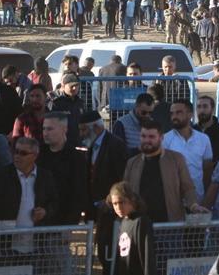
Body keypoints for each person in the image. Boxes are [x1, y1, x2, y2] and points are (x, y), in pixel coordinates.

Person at [123, 120, 207, 223]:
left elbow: (188, 187)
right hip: (139, 224)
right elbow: (125, 192)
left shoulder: (176, 159)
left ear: (161, 138)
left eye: (151, 137)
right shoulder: (132, 163)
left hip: (169, 224)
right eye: (143, 136)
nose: (146, 140)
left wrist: (193, 205)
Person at [79, 110, 127, 274]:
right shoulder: (90, 144)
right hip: (97, 209)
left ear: (97, 128)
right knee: (103, 249)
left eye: (84, 129)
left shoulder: (116, 145)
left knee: (109, 251)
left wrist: (109, 201)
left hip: (111, 209)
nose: (81, 133)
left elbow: (122, 178)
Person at [37, 112, 89, 225]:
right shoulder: (38, 154)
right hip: (39, 219)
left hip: (63, 219)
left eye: (50, 129)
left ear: (64, 129)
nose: (45, 133)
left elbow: (79, 192)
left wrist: (71, 223)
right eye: (44, 129)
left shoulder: (75, 158)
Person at [162, 99, 213, 204]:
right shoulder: (164, 140)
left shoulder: (203, 139)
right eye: (172, 113)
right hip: (173, 199)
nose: (174, 116)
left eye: (179, 112)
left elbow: (207, 169)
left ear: (190, 114)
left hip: (198, 197)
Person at [107, 181, 156, 275]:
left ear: (131, 200)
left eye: (121, 202)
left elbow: (147, 256)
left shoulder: (141, 222)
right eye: (114, 204)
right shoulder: (123, 222)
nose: (118, 207)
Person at [193, 95, 219, 162]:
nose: (202, 110)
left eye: (205, 106)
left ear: (212, 109)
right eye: (199, 107)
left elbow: (217, 156)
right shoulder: (192, 129)